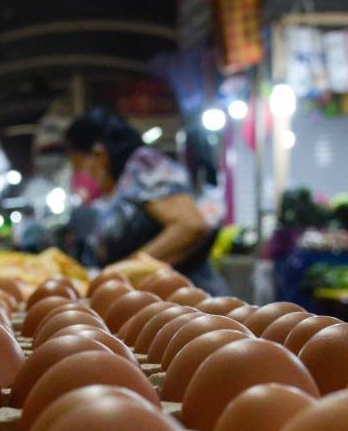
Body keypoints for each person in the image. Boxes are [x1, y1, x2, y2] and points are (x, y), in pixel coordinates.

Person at [65, 109, 227, 294]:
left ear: (99, 154)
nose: (81, 173)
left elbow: (191, 225)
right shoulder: (123, 186)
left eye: (78, 164)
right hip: (160, 306)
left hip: (188, 302)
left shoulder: (143, 163)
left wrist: (126, 269)